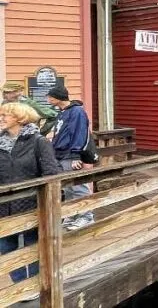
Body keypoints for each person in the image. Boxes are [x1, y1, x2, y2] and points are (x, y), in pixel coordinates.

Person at [0, 102, 60, 283]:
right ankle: (20, 284)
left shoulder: (38, 141)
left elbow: (50, 173)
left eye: (5, 115)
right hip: (3, 206)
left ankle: (36, 282)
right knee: (6, 246)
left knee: (33, 245)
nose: (1, 118)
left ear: (20, 118)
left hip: (31, 204)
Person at [47, 85, 93, 229]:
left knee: (78, 186)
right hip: (60, 154)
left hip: (70, 155)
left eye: (50, 97)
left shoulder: (76, 111)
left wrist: (76, 155)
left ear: (57, 97)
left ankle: (86, 215)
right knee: (67, 188)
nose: (48, 99)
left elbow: (79, 133)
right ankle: (73, 214)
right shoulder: (62, 112)